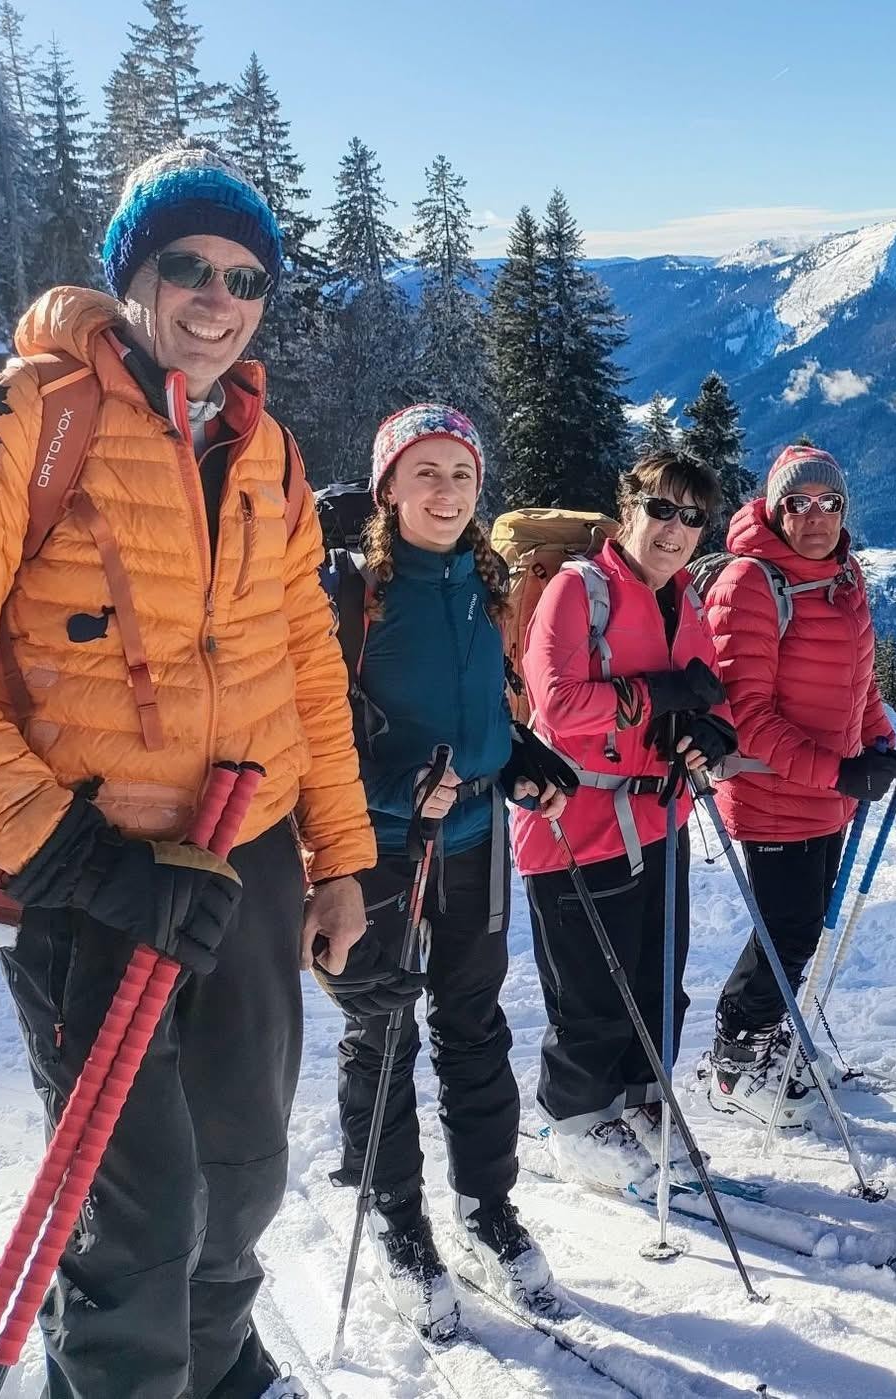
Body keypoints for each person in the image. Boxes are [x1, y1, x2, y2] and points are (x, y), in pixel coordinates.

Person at [0, 144, 371, 1399]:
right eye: (187, 265)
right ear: (129, 271)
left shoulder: (269, 451)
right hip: (93, 876)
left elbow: (306, 665)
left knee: (242, 1173)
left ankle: (221, 1368)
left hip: (246, 859)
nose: (216, 298)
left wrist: (342, 859)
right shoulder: (13, 423)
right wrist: (83, 861)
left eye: (245, 278)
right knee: (133, 1213)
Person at [311, 405, 574, 1326]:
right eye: (424, 472)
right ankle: (398, 1219)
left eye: (462, 474)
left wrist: (519, 755)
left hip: (475, 837)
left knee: (475, 1025)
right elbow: (313, 732)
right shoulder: (352, 593)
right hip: (377, 846)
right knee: (382, 1029)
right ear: (387, 487)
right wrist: (395, 788)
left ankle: (486, 1205)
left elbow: (482, 705)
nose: (446, 491)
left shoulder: (483, 580)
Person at [512, 449, 735, 1188]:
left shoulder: (685, 598)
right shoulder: (580, 590)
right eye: (661, 508)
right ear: (628, 507)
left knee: (657, 981)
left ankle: (642, 1100)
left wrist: (710, 729)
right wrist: (655, 694)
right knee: (590, 993)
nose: (675, 529)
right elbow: (557, 703)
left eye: (692, 517)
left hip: (660, 815)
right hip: (575, 821)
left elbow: (708, 690)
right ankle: (577, 1121)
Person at [695, 443, 896, 1123]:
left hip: (830, 795)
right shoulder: (749, 583)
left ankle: (767, 1035)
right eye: (798, 503)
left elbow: (860, 683)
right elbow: (747, 718)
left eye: (830, 502)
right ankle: (735, 1065)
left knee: (803, 928)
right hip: (773, 794)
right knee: (786, 933)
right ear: (775, 509)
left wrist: (884, 748)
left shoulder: (844, 575)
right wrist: (841, 771)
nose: (815, 516)